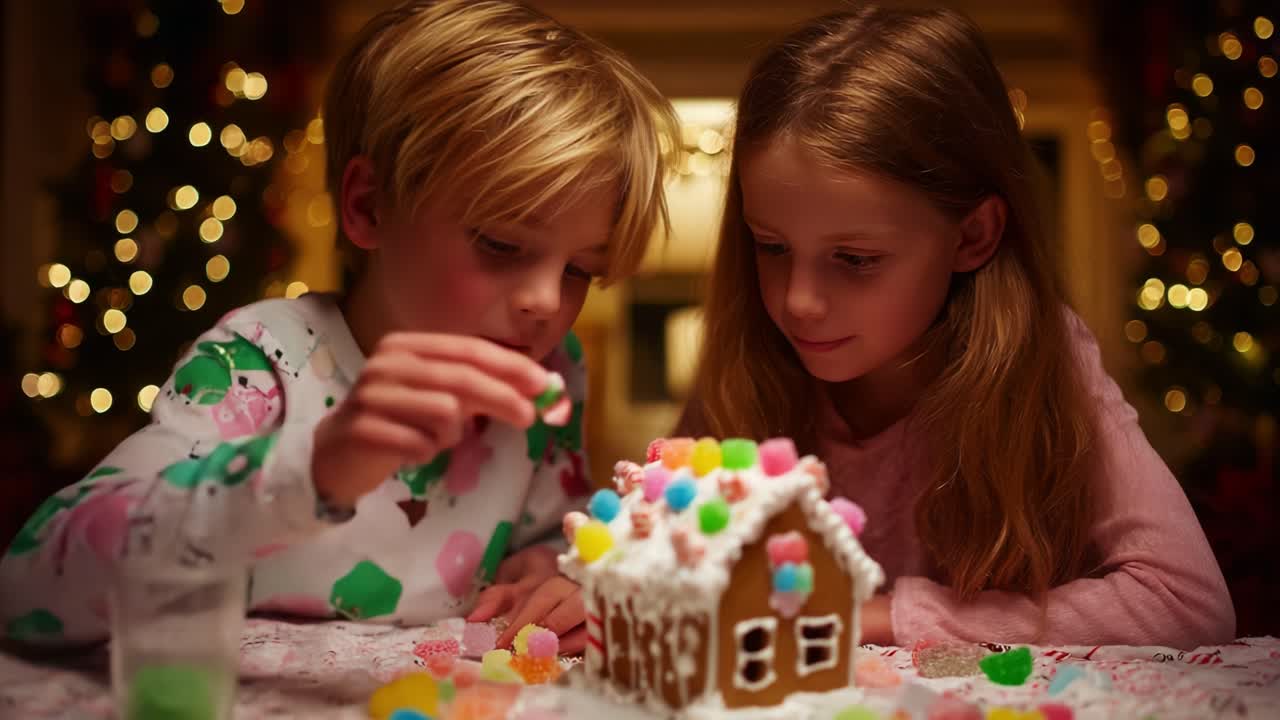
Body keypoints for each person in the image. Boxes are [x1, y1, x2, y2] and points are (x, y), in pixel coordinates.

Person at [1, 0, 677, 655]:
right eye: (501, 245)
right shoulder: (260, 366)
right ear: (368, 206)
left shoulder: (550, 372)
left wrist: (551, 573)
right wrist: (312, 470)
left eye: (580, 270)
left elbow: (546, 533)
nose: (543, 302)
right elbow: (28, 585)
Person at [677, 4, 1234, 649]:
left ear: (973, 236)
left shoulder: (1042, 358)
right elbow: (656, 543)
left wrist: (881, 616)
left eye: (855, 259)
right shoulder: (749, 357)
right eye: (771, 247)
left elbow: (1186, 601)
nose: (799, 302)